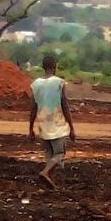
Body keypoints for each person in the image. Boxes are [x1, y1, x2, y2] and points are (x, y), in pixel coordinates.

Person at [28, 53, 76, 188]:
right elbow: (65, 105)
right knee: (59, 154)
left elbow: (33, 108)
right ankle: (45, 173)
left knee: (50, 156)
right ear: (54, 67)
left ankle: (49, 181)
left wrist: (30, 129)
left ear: (43, 67)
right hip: (57, 124)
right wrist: (71, 127)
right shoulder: (59, 83)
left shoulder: (36, 84)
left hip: (43, 124)